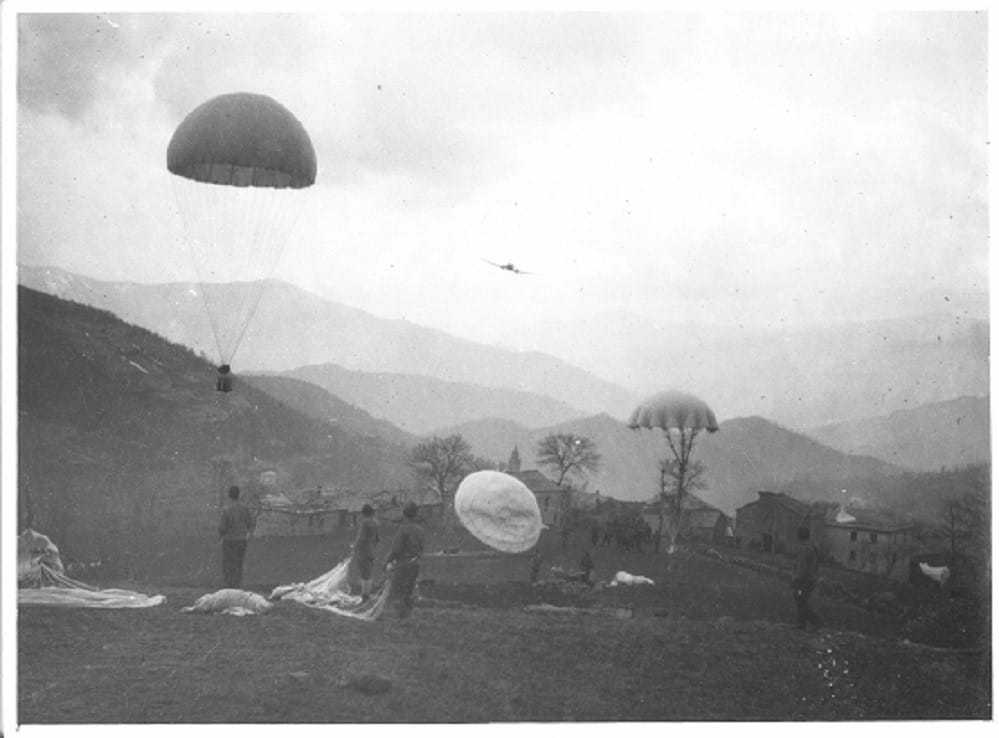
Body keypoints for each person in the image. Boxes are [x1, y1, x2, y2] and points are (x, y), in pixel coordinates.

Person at [385, 502, 424, 619]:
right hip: (415, 564)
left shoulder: (403, 529)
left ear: (404, 514)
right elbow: (421, 548)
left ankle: (400, 618)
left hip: (403, 564)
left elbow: (396, 549)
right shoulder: (420, 530)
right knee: (409, 591)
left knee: (398, 592)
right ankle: (408, 616)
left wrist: (387, 561)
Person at [218, 485, 255, 588]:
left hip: (229, 540)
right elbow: (251, 523)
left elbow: (222, 527)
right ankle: (237, 584)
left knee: (228, 563)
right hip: (241, 540)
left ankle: (229, 585)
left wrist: (221, 536)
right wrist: (248, 534)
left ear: (229, 495)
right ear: (239, 495)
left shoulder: (226, 510)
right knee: (239, 562)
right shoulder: (245, 509)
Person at [791, 525, 821, 630]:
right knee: (802, 600)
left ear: (799, 536)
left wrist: (796, 580)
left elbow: (801, 567)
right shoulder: (811, 547)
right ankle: (801, 624)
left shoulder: (804, 549)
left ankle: (816, 621)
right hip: (810, 579)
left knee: (800, 599)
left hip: (803, 580)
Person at [352, 504, 380, 602]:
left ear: (364, 513)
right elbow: (377, 539)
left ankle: (365, 596)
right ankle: (367, 593)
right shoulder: (376, 523)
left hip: (363, 551)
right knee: (369, 572)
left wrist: (354, 547)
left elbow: (361, 538)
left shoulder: (365, 523)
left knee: (364, 573)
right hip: (371, 551)